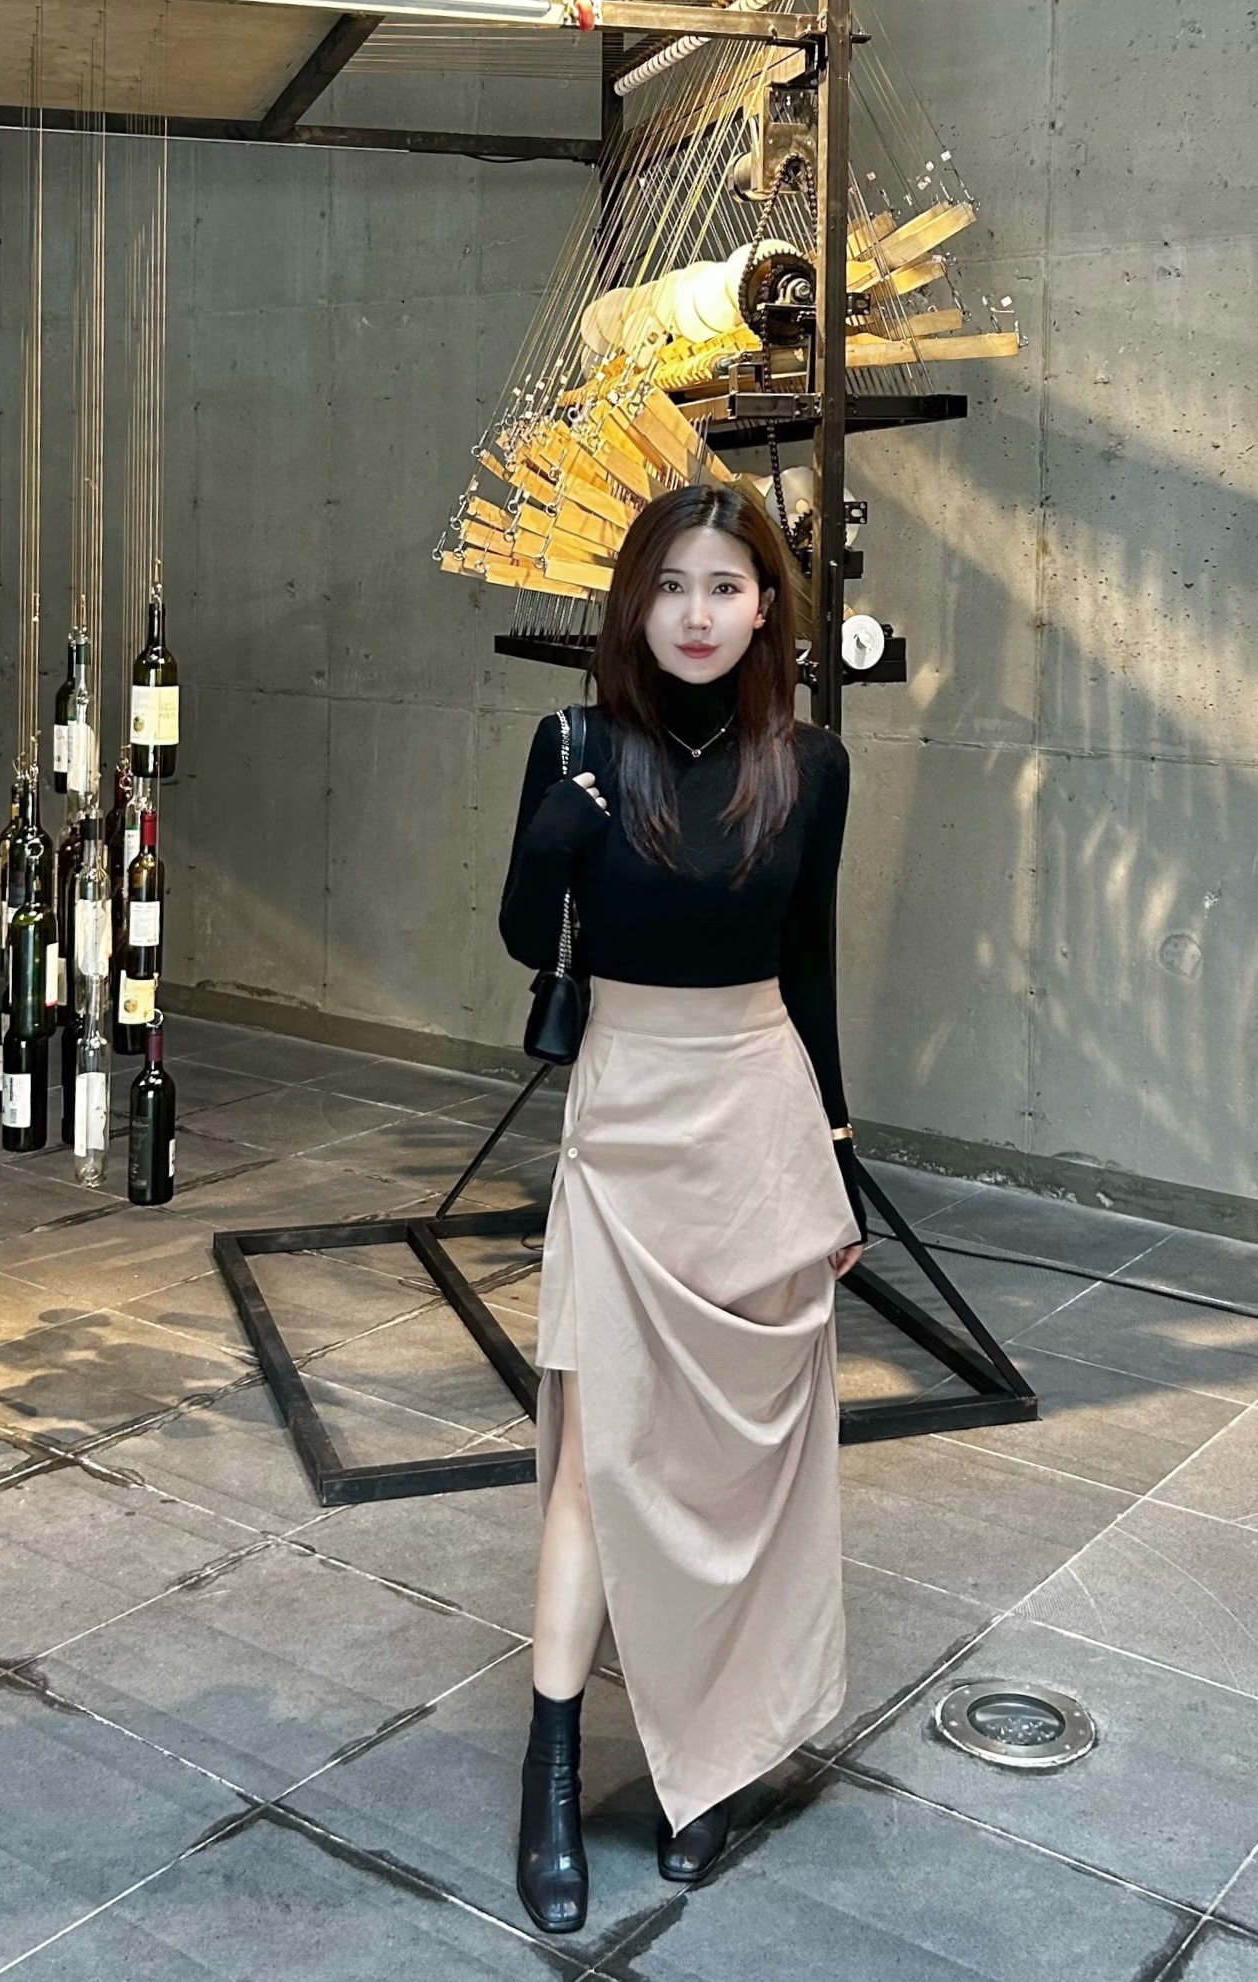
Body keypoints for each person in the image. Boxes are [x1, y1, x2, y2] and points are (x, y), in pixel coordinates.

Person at [498, 481, 867, 1934]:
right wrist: (555, 836)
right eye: (669, 587)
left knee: (733, 1468)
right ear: (633, 605)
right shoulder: (577, 746)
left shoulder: (813, 765)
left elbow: (811, 965)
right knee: (599, 1460)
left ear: (766, 604)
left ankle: (705, 1756)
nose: (696, 614)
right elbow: (525, 932)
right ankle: (549, 1775)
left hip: (760, 1119)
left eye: (723, 586)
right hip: (626, 1120)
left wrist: (836, 1155)